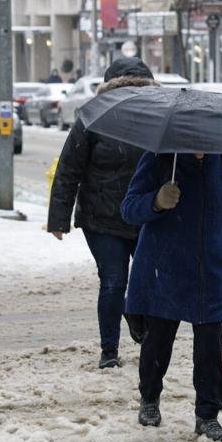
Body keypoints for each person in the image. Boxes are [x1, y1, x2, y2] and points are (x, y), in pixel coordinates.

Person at [121, 149, 222, 442]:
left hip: (210, 270)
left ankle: (208, 416)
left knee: (210, 347)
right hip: (165, 267)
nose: (199, 147)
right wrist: (156, 202)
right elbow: (129, 208)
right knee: (158, 341)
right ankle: (149, 398)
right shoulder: (160, 158)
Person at [47, 57, 157, 369]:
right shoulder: (93, 118)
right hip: (101, 217)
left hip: (145, 214)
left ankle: (138, 319)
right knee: (113, 281)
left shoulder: (159, 119)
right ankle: (109, 351)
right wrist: (59, 218)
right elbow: (69, 168)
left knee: (147, 280)